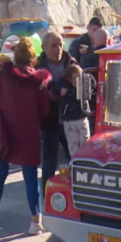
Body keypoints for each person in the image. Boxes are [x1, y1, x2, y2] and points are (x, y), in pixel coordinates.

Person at [0, 37, 51, 234]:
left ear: (15, 56)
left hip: (5, 132)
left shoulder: (3, 76)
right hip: (29, 133)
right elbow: (45, 111)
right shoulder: (39, 81)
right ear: (33, 59)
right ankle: (35, 222)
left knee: (0, 174)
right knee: (30, 178)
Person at [36, 31, 75, 193]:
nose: (58, 49)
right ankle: (47, 195)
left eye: (60, 44)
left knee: (75, 158)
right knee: (49, 162)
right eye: (54, 45)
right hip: (49, 121)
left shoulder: (71, 62)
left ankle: (77, 192)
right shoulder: (38, 68)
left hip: (71, 120)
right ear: (44, 48)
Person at [54, 64, 89, 156]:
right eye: (74, 78)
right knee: (73, 144)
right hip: (70, 120)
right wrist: (61, 92)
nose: (77, 81)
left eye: (79, 77)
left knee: (85, 142)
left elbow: (91, 90)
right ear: (68, 78)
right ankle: (75, 162)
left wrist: (86, 80)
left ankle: (84, 160)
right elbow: (55, 90)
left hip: (82, 117)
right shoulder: (65, 86)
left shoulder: (83, 86)